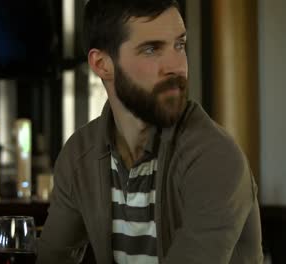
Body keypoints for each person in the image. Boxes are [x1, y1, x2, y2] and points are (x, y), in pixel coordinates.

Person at [36, 0, 263, 263]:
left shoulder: (214, 157)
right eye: (152, 49)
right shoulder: (80, 155)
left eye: (179, 45)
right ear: (102, 64)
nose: (176, 66)